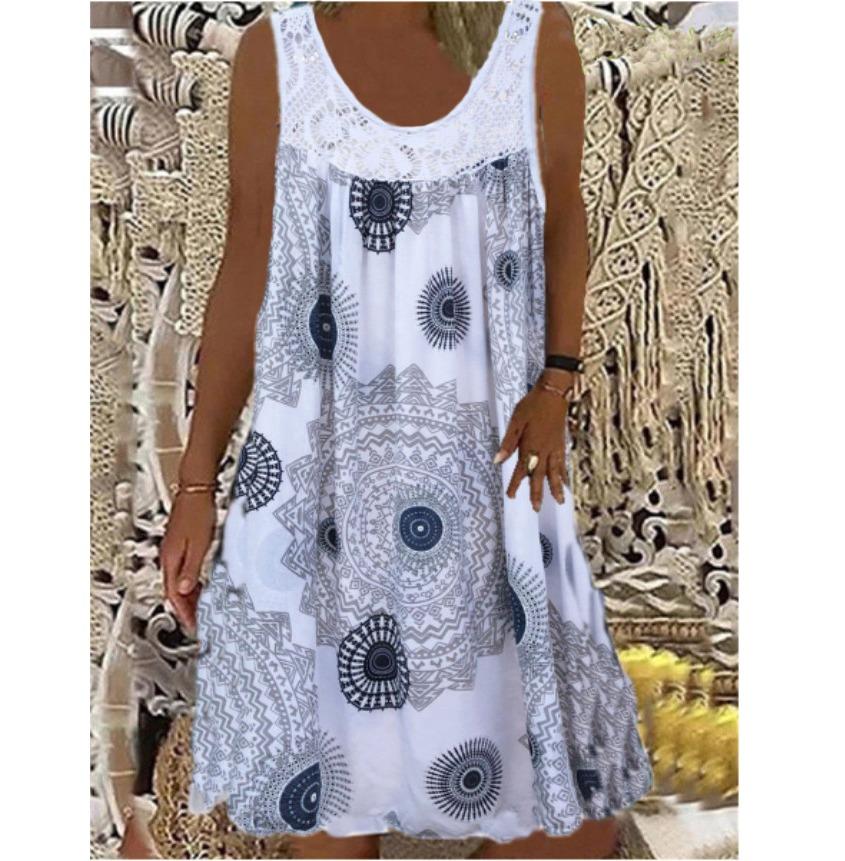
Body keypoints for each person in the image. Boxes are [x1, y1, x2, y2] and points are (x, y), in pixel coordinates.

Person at [161, 2, 652, 858]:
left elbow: (563, 216)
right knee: (331, 782)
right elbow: (244, 266)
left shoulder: (530, 35)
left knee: (565, 799)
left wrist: (556, 381)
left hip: (489, 465)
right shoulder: (280, 53)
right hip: (317, 480)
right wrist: (197, 482)